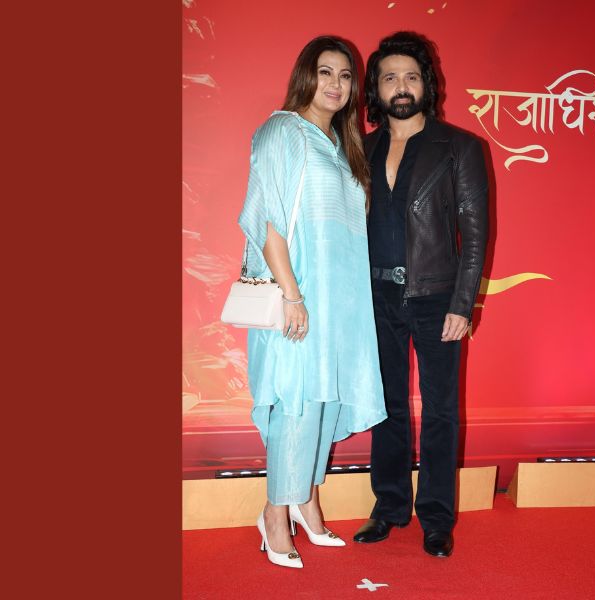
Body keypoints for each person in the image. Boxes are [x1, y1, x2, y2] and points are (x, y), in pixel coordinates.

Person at [238, 36, 386, 569]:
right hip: (298, 296)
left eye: (346, 76)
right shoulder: (282, 131)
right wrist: (292, 295)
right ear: (306, 75)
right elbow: (269, 222)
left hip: (341, 304)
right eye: (326, 72)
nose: (336, 84)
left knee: (323, 404)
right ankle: (275, 515)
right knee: (296, 404)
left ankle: (306, 503)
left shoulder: (341, 147)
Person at [353, 32, 489, 557]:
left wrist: (462, 303)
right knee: (386, 407)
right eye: (390, 77)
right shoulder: (361, 149)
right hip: (376, 299)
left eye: (411, 76)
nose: (402, 86)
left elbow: (475, 234)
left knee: (439, 412)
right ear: (377, 88)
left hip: (437, 299)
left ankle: (436, 516)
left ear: (426, 84)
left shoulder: (459, 147)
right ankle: (389, 507)